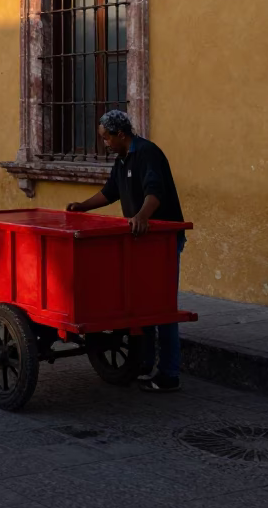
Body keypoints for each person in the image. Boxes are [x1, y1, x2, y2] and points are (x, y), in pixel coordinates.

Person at [66, 110, 185, 392]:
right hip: (140, 240)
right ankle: (143, 361)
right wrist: (82, 206)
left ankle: (169, 373)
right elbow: (110, 192)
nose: (104, 143)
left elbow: (155, 192)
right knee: (141, 303)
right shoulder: (121, 159)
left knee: (163, 306)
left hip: (162, 240)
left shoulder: (147, 153)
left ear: (121, 135)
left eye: (106, 138)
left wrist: (143, 216)